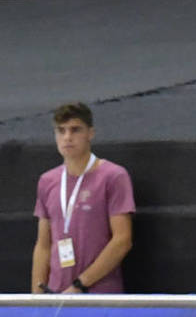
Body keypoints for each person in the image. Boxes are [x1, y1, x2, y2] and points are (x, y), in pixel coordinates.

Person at [31, 102, 135, 294]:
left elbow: (122, 240)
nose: (67, 137)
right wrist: (36, 301)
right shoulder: (48, 181)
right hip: (55, 293)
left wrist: (79, 285)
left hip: (98, 294)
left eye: (75, 130)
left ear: (90, 133)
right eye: (61, 131)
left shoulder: (113, 176)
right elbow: (43, 245)